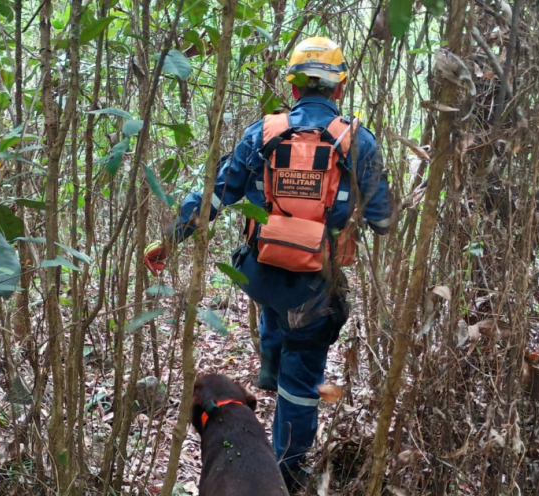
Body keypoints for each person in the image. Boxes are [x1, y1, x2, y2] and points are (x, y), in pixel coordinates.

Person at [144, 37, 392, 493]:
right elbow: (382, 220)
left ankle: (269, 369)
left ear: (293, 87)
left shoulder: (263, 133)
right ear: (339, 88)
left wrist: (169, 241)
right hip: (315, 285)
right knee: (303, 375)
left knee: (278, 316)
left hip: (261, 274)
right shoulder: (357, 141)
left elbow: (216, 196)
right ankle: (287, 468)